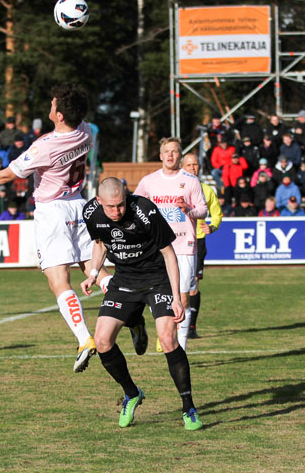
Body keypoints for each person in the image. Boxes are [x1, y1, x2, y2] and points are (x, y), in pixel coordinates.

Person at [0, 83, 107, 373]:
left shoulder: (45, 146)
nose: (49, 106)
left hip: (53, 211)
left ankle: (84, 338)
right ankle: (130, 311)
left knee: (59, 281)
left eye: (53, 104)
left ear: (60, 115)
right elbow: (77, 113)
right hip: (79, 203)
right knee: (94, 269)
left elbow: (7, 175)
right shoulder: (86, 130)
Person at [80, 177, 202, 430]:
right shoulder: (91, 212)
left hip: (158, 280)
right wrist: (93, 273)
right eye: (111, 207)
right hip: (124, 281)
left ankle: (188, 407)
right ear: (99, 201)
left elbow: (169, 254)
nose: (117, 211)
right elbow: (100, 244)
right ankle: (132, 393)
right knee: (102, 341)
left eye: (121, 205)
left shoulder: (145, 210)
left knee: (168, 339)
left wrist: (178, 297)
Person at [134, 138, 207, 352]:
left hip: (184, 245)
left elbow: (203, 210)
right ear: (160, 155)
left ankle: (180, 349)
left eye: (174, 151)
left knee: (183, 296)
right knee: (152, 294)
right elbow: (135, 206)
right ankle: (161, 330)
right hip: (155, 247)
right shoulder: (149, 181)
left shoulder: (191, 181)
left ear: (180, 156)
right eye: (166, 151)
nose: (170, 155)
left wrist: (189, 210)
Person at [179, 153, 220, 339]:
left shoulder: (207, 190)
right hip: (176, 240)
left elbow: (217, 214)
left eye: (195, 164)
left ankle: (191, 327)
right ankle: (173, 325)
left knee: (192, 286)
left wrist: (212, 226)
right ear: (182, 167)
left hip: (197, 241)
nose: (192, 168)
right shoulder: (174, 188)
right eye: (189, 165)